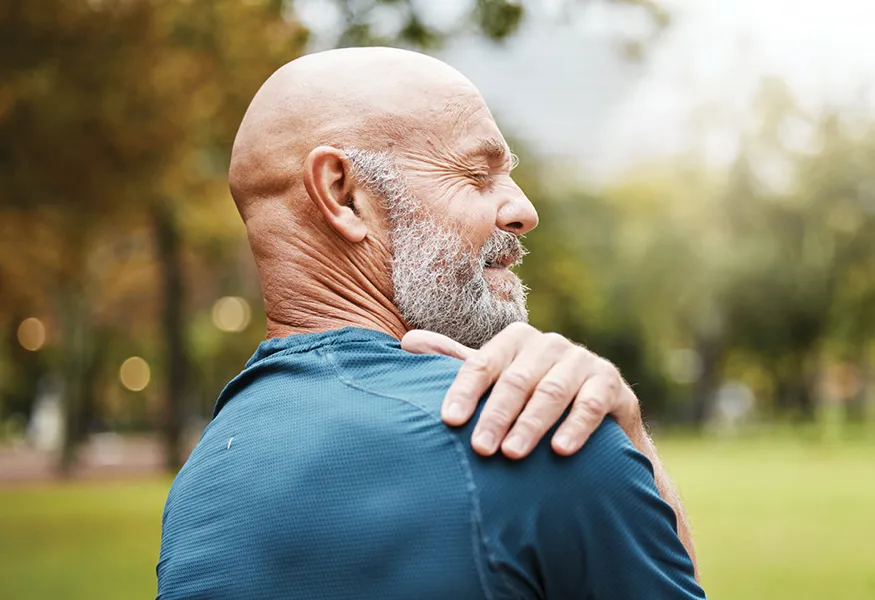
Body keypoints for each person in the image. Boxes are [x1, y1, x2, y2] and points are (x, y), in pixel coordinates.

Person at [157, 47, 706, 600]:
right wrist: (622, 437)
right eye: (476, 173)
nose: (523, 210)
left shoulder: (199, 491)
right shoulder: (536, 438)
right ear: (343, 195)